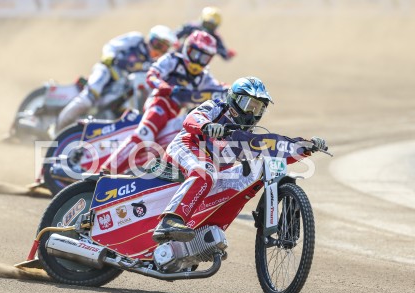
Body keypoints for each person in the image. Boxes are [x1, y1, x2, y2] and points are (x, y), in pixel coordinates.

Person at [152, 76, 327, 243]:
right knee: (205, 172)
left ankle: (200, 239)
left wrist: (305, 146)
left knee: (238, 187)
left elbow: (276, 147)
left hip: (208, 170)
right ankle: (170, 220)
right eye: (248, 105)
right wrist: (206, 126)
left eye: (258, 108)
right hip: (185, 146)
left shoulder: (245, 138)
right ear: (233, 100)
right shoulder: (216, 107)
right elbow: (192, 118)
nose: (252, 113)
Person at [101, 30, 227, 174]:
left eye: (204, 58)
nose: (198, 60)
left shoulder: (204, 77)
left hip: (175, 114)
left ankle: (131, 175)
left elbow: (219, 88)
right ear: (187, 49)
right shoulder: (172, 60)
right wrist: (165, 87)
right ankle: (107, 170)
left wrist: (233, 91)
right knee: (145, 134)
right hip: (159, 102)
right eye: (195, 54)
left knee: (162, 147)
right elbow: (152, 75)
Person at [56, 25, 177, 132]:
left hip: (123, 87)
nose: (158, 50)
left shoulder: (155, 65)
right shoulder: (137, 40)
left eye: (163, 48)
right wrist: (110, 57)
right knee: (89, 98)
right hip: (109, 70)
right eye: (158, 44)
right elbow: (112, 45)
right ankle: (58, 128)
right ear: (151, 39)